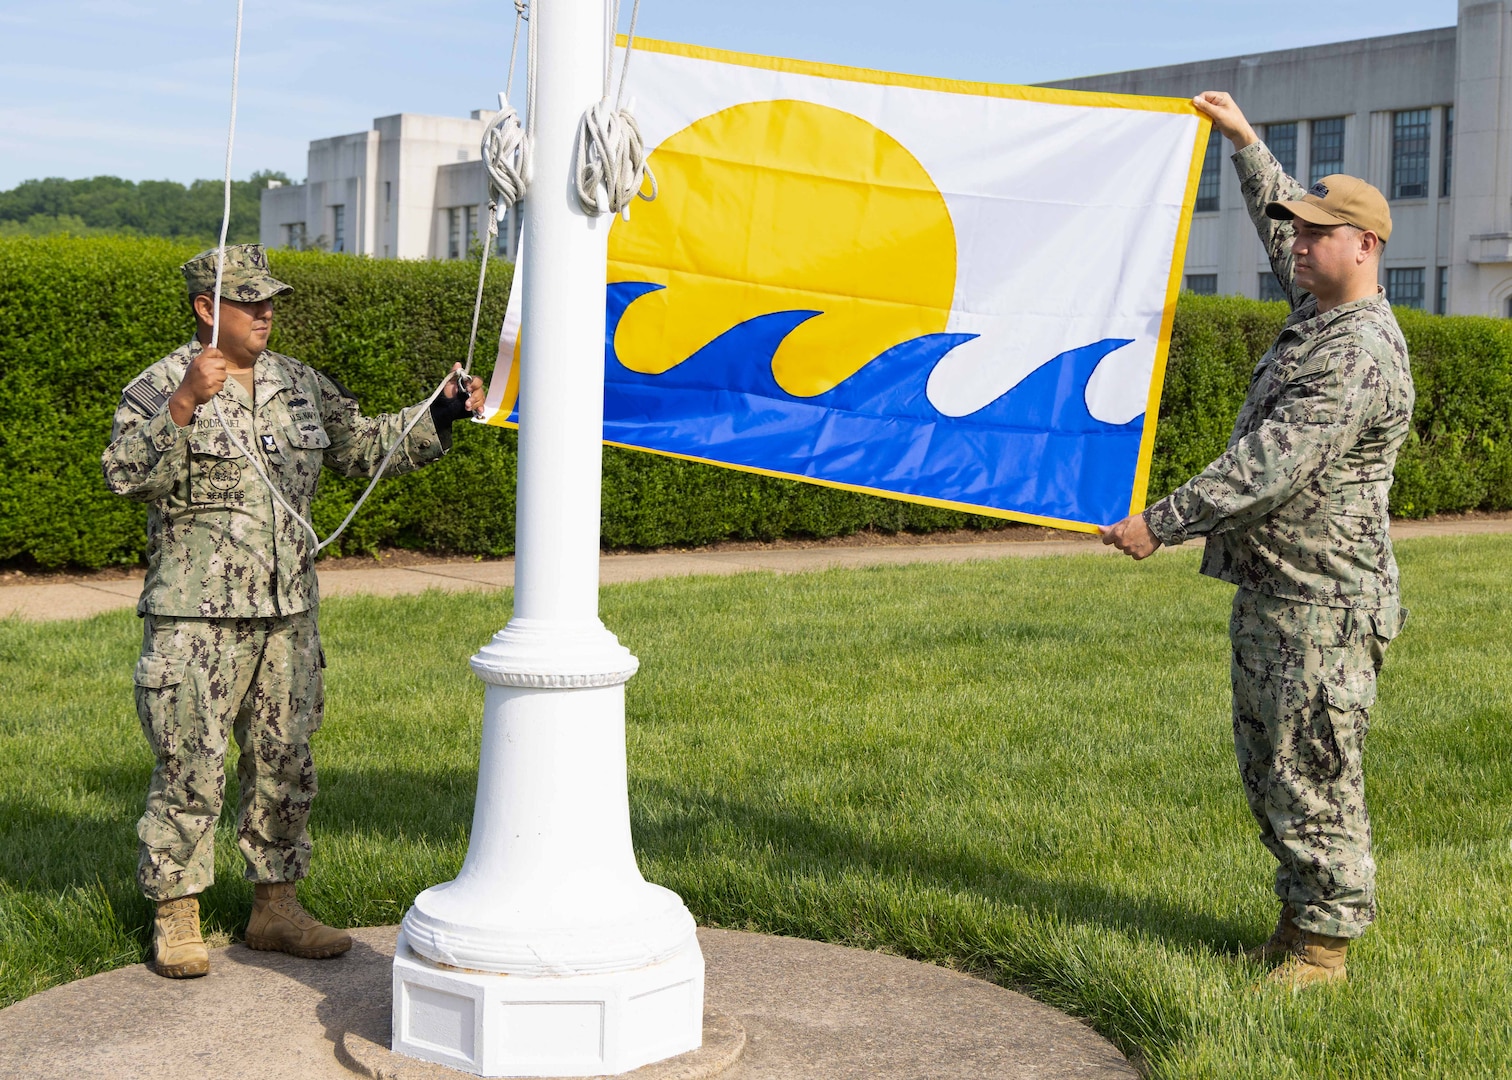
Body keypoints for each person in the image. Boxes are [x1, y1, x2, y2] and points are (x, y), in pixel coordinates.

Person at [102, 243, 488, 979]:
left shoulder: (299, 384)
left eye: (270, 298)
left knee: (285, 761)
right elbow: (124, 475)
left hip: (288, 614)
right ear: (207, 310)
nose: (266, 312)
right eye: (250, 301)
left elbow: (363, 446)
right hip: (197, 618)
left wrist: (438, 412)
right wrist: (185, 402)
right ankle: (176, 912)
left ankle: (275, 907)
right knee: (192, 765)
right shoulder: (158, 385)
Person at [1099, 92, 1415, 988]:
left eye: (1319, 234)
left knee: (1313, 769)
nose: (1300, 244)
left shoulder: (1357, 352)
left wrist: (1158, 523)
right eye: (1300, 233)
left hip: (1324, 607)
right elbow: (1280, 224)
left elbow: (1272, 464)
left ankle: (1326, 944)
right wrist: (1243, 143)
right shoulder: (1323, 309)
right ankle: (1298, 915)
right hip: (1282, 596)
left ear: (1367, 246)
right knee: (1274, 764)